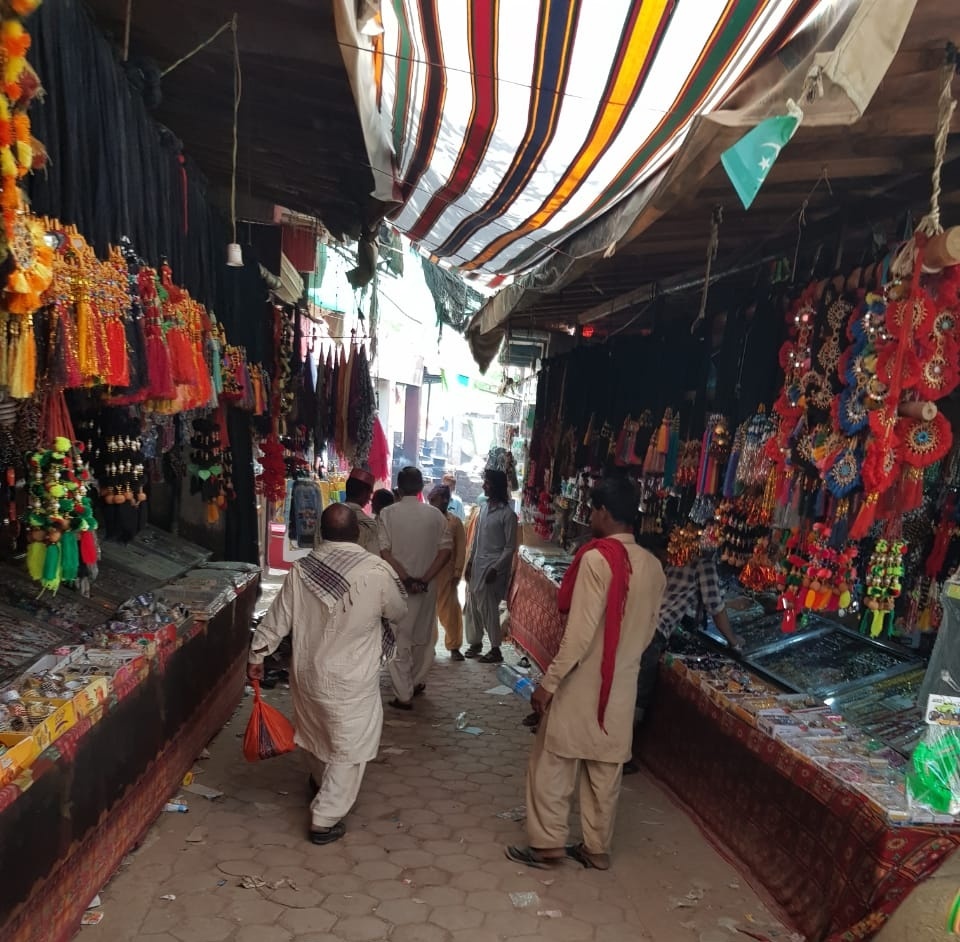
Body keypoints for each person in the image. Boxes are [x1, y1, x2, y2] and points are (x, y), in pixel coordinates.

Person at [507, 476, 665, 872]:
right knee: (605, 770)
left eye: (593, 509)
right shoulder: (652, 566)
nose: (590, 515)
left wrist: (548, 683)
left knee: (553, 761)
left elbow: (578, 636)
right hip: (622, 684)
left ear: (604, 513)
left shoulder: (597, 559)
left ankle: (547, 844)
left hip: (583, 682)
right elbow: (648, 633)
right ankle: (597, 848)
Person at [247, 504, 407, 845]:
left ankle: (320, 782)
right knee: (350, 744)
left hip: (307, 673)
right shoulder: (376, 570)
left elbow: (278, 618)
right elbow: (398, 610)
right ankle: (324, 817)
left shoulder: (302, 569)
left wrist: (257, 653)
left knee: (317, 729)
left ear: (322, 532)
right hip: (352, 678)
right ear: (356, 533)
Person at [623, 532, 744, 773]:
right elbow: (716, 608)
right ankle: (621, 756)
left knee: (627, 686)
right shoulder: (705, 564)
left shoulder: (679, 553)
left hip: (638, 622)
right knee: (638, 694)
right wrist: (734, 643)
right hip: (655, 631)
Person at [378, 466, 452, 708]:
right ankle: (417, 682)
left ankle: (403, 694)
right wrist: (424, 579)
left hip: (398, 588)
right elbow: (445, 551)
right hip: (426, 589)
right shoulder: (437, 516)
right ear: (422, 487)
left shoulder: (388, 514)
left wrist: (407, 579)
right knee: (423, 637)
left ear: (399, 488)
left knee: (399, 638)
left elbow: (385, 551)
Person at [464, 469, 517, 663]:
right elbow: (477, 539)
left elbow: (510, 547)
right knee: (473, 606)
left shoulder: (508, 515)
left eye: (487, 483)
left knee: (488, 608)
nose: (484, 486)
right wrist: (470, 563)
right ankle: (475, 643)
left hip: (493, 569)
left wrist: (496, 568)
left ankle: (495, 649)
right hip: (478, 564)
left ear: (496, 486)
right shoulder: (484, 508)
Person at [428, 484, 467, 661]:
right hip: (426, 573)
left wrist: (458, 572)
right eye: (433, 500)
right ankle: (428, 646)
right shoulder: (425, 520)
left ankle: (454, 646)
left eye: (445, 498)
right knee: (427, 613)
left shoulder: (455, 522)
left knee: (450, 611)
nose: (442, 501)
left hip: (447, 574)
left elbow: (461, 549)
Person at [342, 467, 379, 555]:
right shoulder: (368, 525)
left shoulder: (326, 517)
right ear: (364, 494)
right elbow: (373, 558)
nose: (369, 498)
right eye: (370, 493)